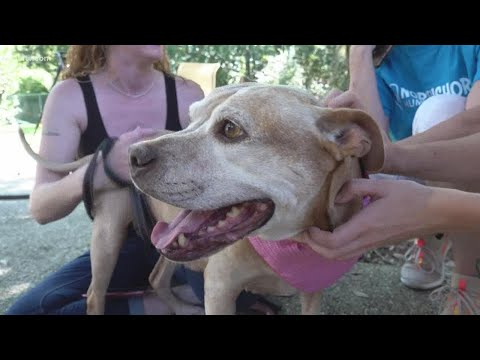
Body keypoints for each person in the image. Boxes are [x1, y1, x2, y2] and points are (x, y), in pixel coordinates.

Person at [5, 45, 278, 315]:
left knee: (237, 292)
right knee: (27, 311)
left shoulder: (187, 94)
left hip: (186, 232)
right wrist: (104, 168)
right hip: (122, 244)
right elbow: (41, 208)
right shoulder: (70, 96)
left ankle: (169, 300)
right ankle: (160, 304)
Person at [302, 45, 480, 314]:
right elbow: (372, 141)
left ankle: (469, 283)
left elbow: (475, 122)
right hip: (410, 167)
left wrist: (397, 156)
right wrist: (359, 54)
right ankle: (432, 240)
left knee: (439, 110)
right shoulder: (385, 59)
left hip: (464, 165)